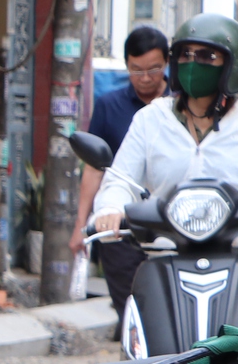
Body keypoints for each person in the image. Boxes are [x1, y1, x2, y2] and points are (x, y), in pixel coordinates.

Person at [91, 14, 238, 266]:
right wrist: (110, 209)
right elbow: (121, 180)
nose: (192, 63)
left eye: (205, 57)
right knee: (136, 305)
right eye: (185, 55)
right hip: (167, 259)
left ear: (233, 65)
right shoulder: (152, 118)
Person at [70, 27, 169, 318]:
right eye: (136, 70)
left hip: (171, 226)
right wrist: (81, 223)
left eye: (154, 69)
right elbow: (94, 168)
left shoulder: (184, 105)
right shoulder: (109, 105)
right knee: (130, 310)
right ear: (126, 65)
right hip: (121, 224)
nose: (146, 78)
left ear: (166, 64)